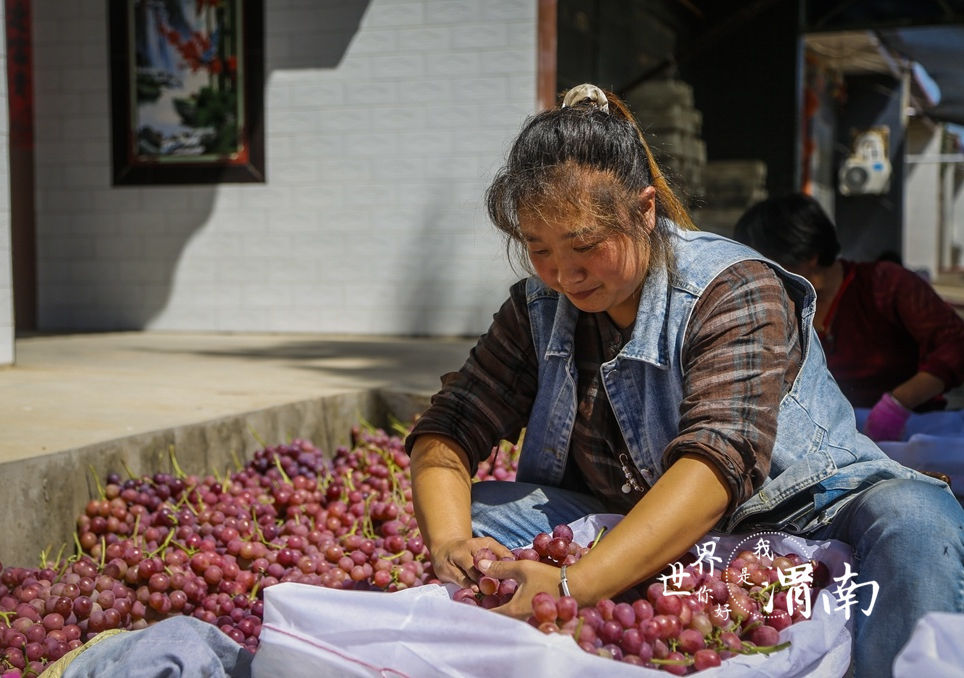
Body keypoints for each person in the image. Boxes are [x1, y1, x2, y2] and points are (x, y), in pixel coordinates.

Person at [406, 84, 964, 678]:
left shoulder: (733, 288)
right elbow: (451, 425)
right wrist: (448, 544)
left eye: (584, 246)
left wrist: (576, 582)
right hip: (631, 517)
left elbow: (717, 461)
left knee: (918, 522)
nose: (563, 274)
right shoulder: (538, 306)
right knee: (477, 521)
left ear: (645, 211)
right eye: (538, 249)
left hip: (803, 512)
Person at [732, 193, 964, 442]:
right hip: (823, 441)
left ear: (809, 257)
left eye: (770, 265)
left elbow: (955, 344)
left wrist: (899, 404)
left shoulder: (883, 284)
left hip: (907, 435)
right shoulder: (774, 306)